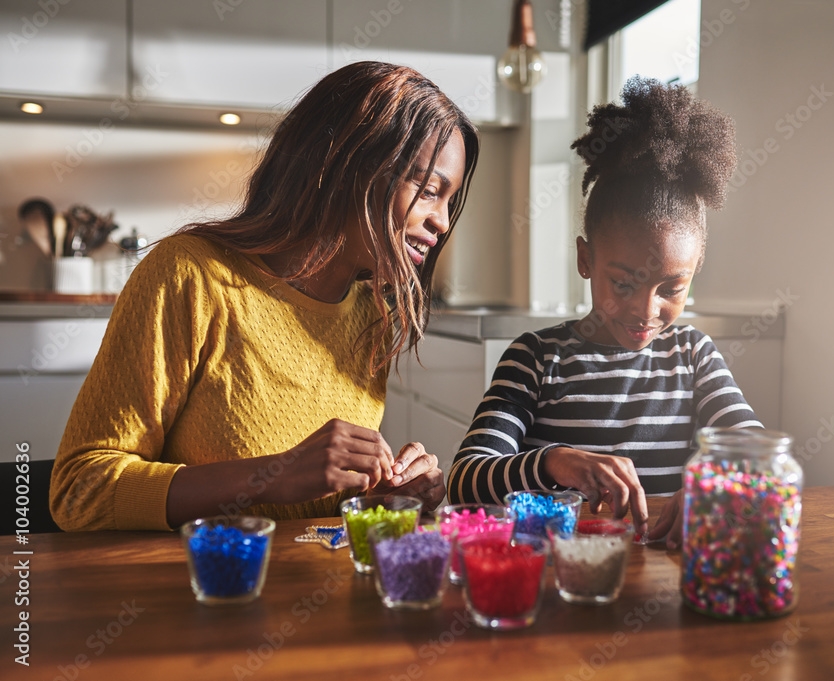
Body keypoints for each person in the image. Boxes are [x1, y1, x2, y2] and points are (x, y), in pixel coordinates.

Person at [50, 61, 480, 532]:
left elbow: (313, 519)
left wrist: (382, 499)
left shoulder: (367, 315)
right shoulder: (191, 277)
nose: (441, 222)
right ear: (346, 166)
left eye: (448, 200)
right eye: (429, 190)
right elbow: (79, 491)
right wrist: (269, 476)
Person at [446, 78, 761, 546]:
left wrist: (709, 485)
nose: (645, 309)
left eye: (672, 288)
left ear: (694, 273)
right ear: (585, 259)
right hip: (561, 588)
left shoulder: (693, 355)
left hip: (661, 591)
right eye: (623, 283)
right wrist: (555, 461)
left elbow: (753, 451)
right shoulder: (535, 358)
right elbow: (464, 482)